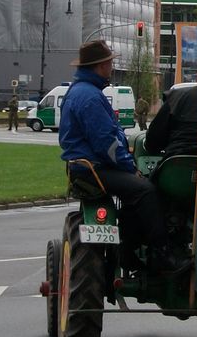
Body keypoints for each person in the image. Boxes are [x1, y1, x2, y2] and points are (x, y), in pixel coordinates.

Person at [59, 41, 185, 274]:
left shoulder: (80, 91)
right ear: (100, 66)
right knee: (146, 189)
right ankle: (163, 252)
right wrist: (129, 167)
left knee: (132, 193)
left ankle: (128, 252)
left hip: (85, 166)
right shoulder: (90, 97)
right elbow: (106, 144)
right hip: (95, 168)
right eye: (109, 62)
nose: (112, 66)